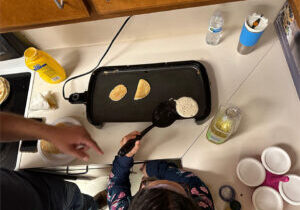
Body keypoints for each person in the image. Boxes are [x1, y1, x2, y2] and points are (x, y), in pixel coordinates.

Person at [0, 112, 104, 210]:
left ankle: (92, 205)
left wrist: (52, 133)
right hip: (43, 192)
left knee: (79, 200)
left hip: (44, 189)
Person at [107, 131, 215, 210]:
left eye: (147, 182)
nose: (148, 180)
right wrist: (154, 169)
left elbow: (116, 182)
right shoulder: (203, 205)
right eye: (179, 185)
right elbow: (192, 181)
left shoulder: (119, 208)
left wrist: (124, 158)